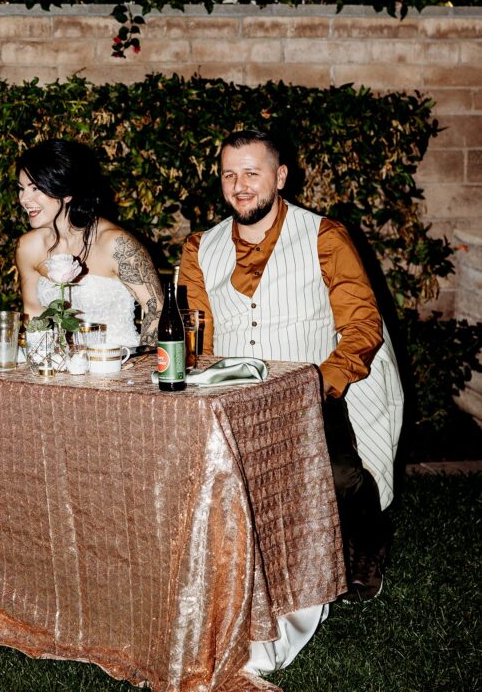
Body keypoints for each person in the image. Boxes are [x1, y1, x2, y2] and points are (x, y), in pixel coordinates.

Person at [179, 129, 404, 671]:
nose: (239, 186)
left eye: (252, 173)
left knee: (344, 478)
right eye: (230, 174)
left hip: (331, 385)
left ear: (281, 177)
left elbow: (360, 327)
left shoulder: (325, 236)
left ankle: (360, 552)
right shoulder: (199, 248)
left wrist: (314, 389)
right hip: (244, 396)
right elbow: (197, 337)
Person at [15, 138, 163, 347]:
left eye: (35, 188)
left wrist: (140, 361)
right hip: (61, 368)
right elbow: (33, 313)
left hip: (118, 363)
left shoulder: (116, 244)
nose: (24, 199)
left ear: (66, 193)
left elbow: (156, 309)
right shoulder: (29, 247)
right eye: (21, 189)